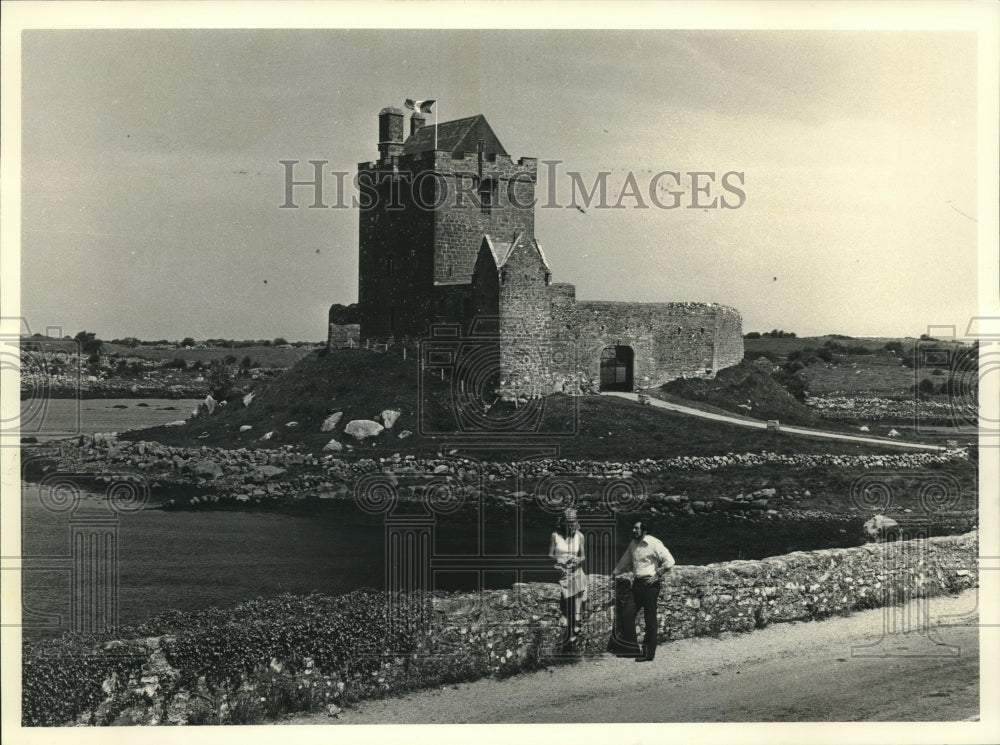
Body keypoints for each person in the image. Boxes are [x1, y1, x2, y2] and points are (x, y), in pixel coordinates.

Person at [611, 517, 675, 662]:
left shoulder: (654, 543)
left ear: (644, 530)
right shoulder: (633, 544)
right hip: (637, 585)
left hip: (650, 585)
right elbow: (625, 560)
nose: (633, 530)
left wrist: (657, 575)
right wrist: (615, 572)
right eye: (633, 528)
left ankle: (648, 654)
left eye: (636, 528)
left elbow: (670, 561)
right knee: (627, 615)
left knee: (650, 620)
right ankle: (633, 650)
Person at [549, 508, 587, 644]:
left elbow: (583, 556)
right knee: (576, 579)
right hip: (560, 567)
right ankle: (576, 619)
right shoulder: (555, 535)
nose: (572, 526)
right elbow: (550, 555)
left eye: (574, 522)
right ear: (563, 522)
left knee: (578, 575)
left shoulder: (580, 536)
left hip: (574, 567)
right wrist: (561, 559)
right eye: (569, 523)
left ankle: (575, 617)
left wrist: (577, 560)